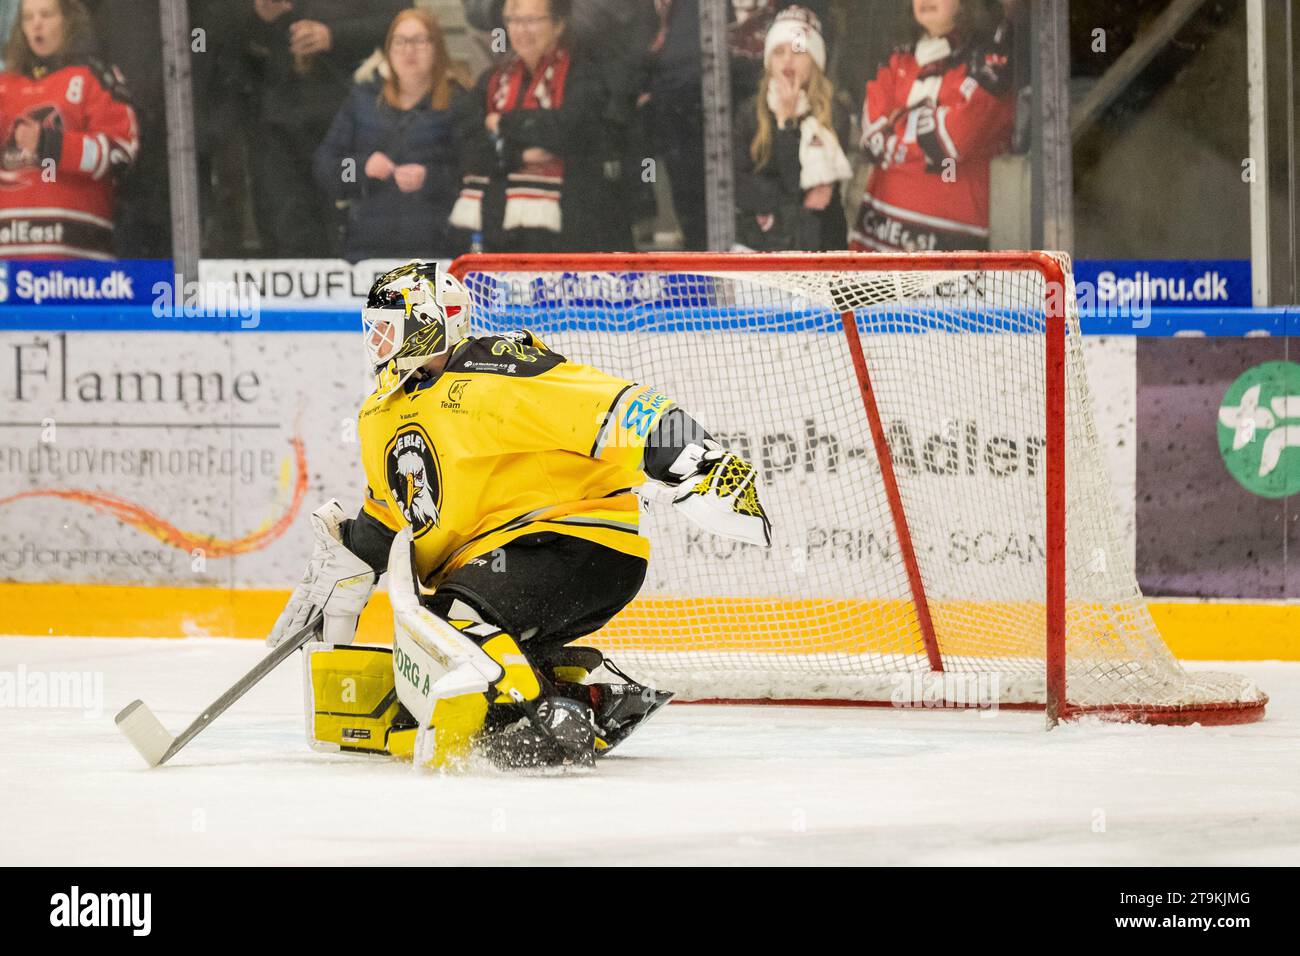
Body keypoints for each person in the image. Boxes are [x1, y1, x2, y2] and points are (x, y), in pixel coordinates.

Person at [268, 261, 773, 769]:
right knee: (430, 647)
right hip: (499, 568)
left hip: (576, 546)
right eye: (373, 330)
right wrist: (352, 552)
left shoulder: (499, 372)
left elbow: (617, 407)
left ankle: (538, 718)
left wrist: (698, 461)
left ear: (428, 323)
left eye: (388, 328)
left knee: (450, 631)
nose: (377, 341)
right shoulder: (379, 414)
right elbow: (393, 513)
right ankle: (584, 698)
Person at [241, 0, 407, 257]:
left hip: (349, 114)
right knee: (284, 222)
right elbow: (222, 31)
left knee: (342, 222)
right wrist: (260, 17)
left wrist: (334, 35)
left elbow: (401, 22)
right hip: (277, 116)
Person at [849, 0, 1014, 252]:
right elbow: (873, 137)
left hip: (948, 248)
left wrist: (898, 135)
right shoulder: (898, 59)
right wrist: (922, 130)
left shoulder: (990, 61)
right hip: (877, 238)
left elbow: (950, 142)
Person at [448, 0, 604, 253]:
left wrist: (503, 122)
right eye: (514, 21)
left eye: (531, 21)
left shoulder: (582, 74)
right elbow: (467, 144)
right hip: (496, 230)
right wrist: (519, 154)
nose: (521, 30)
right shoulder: (492, 80)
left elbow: (567, 132)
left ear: (558, 26)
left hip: (567, 233)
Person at [313, 8, 464, 261]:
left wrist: (430, 179)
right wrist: (362, 168)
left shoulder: (459, 102)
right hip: (367, 247)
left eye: (419, 41)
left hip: (436, 249)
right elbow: (326, 165)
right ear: (388, 48)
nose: (409, 50)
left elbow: (473, 176)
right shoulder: (361, 99)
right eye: (400, 41)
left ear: (436, 48)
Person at [0, 0, 137, 259]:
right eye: (28, 18)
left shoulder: (94, 76)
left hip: (78, 263)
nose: (36, 24)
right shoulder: (5, 86)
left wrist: (52, 145)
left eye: (46, 15)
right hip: (6, 260)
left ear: (69, 20)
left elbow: (121, 152)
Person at [733, 5, 849, 251]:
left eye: (798, 51)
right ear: (768, 62)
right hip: (760, 246)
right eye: (778, 51)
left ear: (814, 60)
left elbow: (812, 194)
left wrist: (786, 125)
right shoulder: (749, 113)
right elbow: (742, 188)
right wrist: (792, 200)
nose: (787, 59)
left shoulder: (834, 114)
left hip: (820, 248)